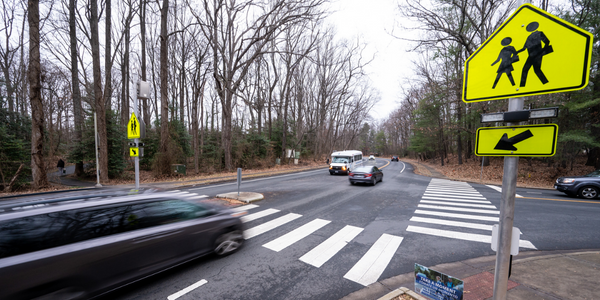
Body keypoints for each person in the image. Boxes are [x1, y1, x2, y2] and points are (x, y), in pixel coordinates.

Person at [517, 21, 551, 87]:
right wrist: (517, 52)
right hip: (531, 56)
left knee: (536, 70)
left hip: (537, 55)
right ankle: (522, 86)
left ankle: (546, 84)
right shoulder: (529, 37)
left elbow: (547, 42)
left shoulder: (540, 33)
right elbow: (524, 48)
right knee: (526, 69)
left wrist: (543, 51)